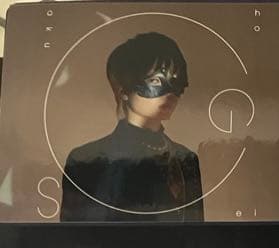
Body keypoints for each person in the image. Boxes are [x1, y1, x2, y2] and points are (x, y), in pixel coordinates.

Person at [60, 32, 204, 222]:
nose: (170, 92)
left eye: (176, 80)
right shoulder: (85, 161)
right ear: (123, 90)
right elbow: (74, 234)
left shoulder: (186, 161)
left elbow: (196, 231)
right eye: (155, 80)